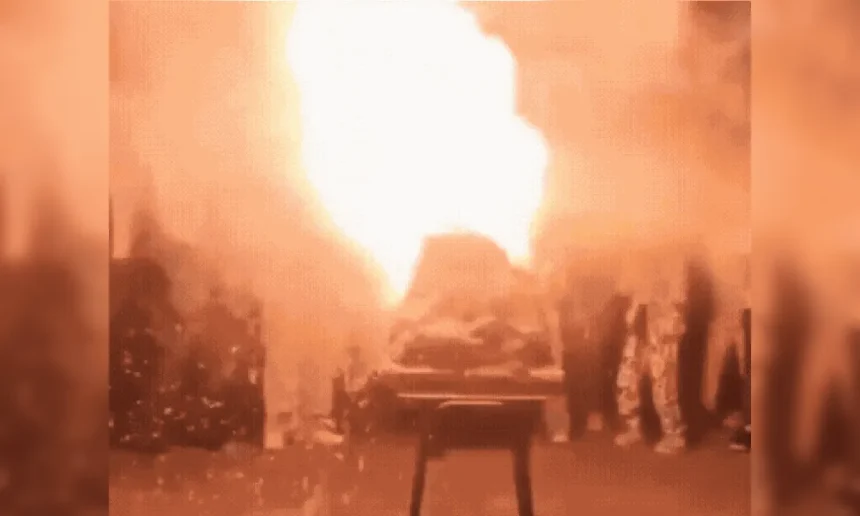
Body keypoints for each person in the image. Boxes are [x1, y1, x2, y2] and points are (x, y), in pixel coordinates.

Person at [615, 267, 687, 454]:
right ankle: (634, 428)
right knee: (627, 382)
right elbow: (624, 289)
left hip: (662, 329)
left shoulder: (671, 264)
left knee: (664, 386)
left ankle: (674, 435)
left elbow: (679, 299)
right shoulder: (635, 263)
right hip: (639, 328)